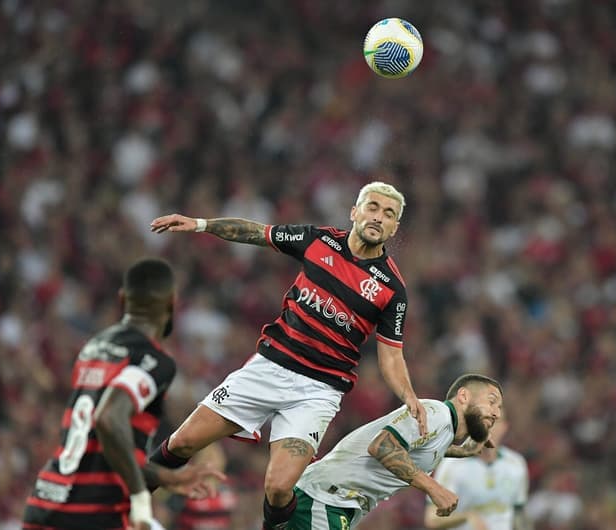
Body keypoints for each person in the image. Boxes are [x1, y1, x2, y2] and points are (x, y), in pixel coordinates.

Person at [148, 181, 427, 530]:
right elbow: (257, 232)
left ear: (394, 228)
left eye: (389, 214)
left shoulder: (391, 289)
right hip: (269, 368)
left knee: (279, 488)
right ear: (354, 212)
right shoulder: (318, 240)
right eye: (372, 207)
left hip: (317, 392)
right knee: (183, 441)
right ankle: (124, 502)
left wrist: (408, 394)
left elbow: (391, 357)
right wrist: (202, 224)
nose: (378, 217)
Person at [22, 258, 225, 530]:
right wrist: (141, 497)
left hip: (46, 500)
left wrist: (168, 477)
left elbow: (104, 451)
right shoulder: (155, 360)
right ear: (171, 304)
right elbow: (109, 419)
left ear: (122, 299)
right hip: (92, 513)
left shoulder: (93, 348)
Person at [287, 373, 503, 529]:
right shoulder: (435, 413)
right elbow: (382, 446)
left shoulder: (443, 432)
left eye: (499, 408)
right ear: (463, 396)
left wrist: (463, 451)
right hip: (323, 500)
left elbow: (421, 448)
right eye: (492, 402)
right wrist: (435, 489)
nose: (496, 414)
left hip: (332, 503)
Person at [423, 415, 530, 530]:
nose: (488, 427)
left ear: (504, 427)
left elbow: (519, 515)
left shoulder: (516, 464)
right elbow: (431, 519)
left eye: (494, 422)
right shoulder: (452, 465)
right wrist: (466, 517)